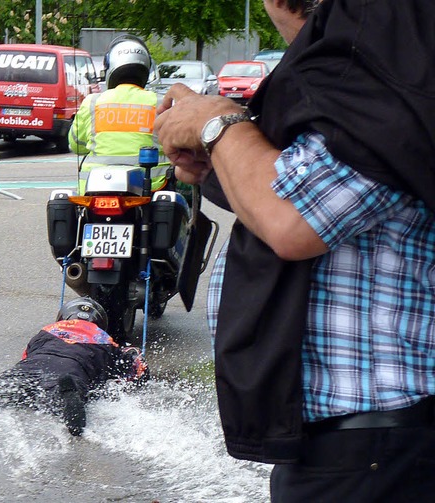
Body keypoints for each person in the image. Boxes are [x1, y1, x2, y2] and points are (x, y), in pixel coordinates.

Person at [155, 0, 435, 501]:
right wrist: (225, 158)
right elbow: (296, 187)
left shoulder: (386, 74)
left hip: (376, 451)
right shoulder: (365, 72)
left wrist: (218, 123)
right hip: (362, 447)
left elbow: (292, 220)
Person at [0, 297, 148, 436]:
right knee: (58, 397)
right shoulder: (105, 341)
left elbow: (25, 356)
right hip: (71, 370)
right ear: (99, 322)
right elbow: (136, 372)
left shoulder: (46, 332)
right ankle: (68, 396)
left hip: (31, 368)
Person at [68, 34, 171, 195]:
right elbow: (176, 145)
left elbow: (76, 145)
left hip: (95, 188)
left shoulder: (93, 102)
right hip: (150, 188)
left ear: (110, 66)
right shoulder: (160, 103)